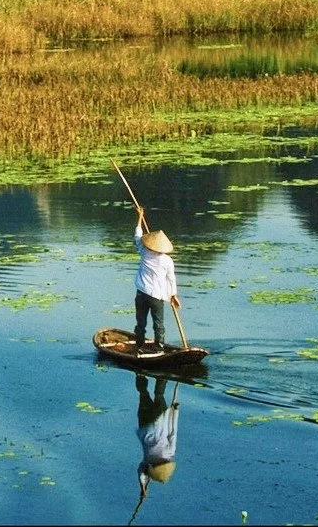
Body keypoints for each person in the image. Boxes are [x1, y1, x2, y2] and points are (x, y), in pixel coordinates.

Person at [132, 205, 179, 350]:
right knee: (158, 323)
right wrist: (173, 295)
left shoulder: (144, 251)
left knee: (141, 322)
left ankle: (139, 344)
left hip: (142, 293)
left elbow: (137, 236)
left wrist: (140, 216)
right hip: (157, 296)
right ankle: (159, 346)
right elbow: (171, 279)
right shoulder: (167, 261)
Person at [135, 374, 179, 497]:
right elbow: (141, 472)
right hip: (145, 424)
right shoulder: (147, 460)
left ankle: (161, 375)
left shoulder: (170, 453)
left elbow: (173, 432)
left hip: (159, 420)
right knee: (143, 393)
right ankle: (140, 374)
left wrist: (175, 411)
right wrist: (143, 486)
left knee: (159, 395)